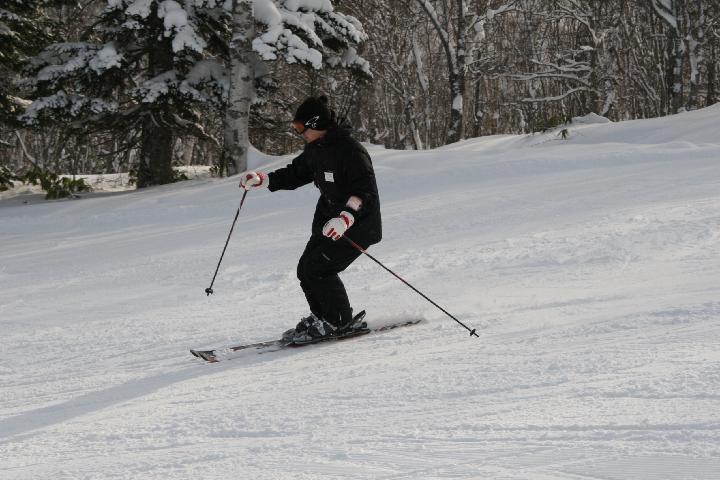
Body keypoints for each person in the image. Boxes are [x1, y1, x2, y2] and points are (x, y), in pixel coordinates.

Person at [239, 95, 382, 343]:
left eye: (300, 127)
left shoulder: (350, 151)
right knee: (306, 269)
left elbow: (364, 191)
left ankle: (338, 322)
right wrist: (265, 180)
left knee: (319, 269)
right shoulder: (316, 149)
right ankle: (322, 318)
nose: (299, 133)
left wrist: (346, 218)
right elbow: (296, 173)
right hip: (328, 222)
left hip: (357, 225)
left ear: (315, 124)